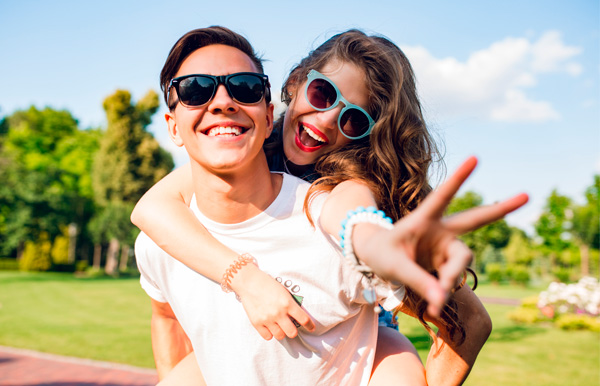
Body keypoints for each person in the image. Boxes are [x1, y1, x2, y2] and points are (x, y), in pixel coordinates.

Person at [133, 26, 528, 385]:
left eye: (354, 120)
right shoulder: (243, 149)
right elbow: (151, 210)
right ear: (295, 82)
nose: (325, 122)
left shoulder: (344, 185)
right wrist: (246, 279)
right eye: (323, 94)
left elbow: (349, 215)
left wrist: (370, 239)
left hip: (365, 336)